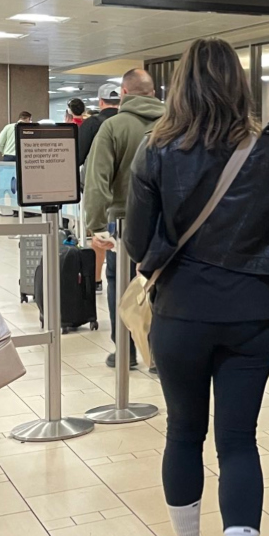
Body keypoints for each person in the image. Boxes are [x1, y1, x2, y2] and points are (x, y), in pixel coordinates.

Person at [126, 37, 269, 536]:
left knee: (184, 432)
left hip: (180, 313)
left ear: (178, 87)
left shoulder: (154, 151)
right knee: (238, 441)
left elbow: (137, 243)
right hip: (252, 314)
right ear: (239, 85)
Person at [83, 68, 164, 370]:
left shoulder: (113, 127)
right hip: (169, 225)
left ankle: (126, 351)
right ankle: (158, 355)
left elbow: (97, 180)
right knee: (161, 285)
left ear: (124, 94)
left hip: (125, 224)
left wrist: (96, 226)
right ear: (153, 93)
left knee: (122, 284)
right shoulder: (177, 125)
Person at [78, 83, 123, 293]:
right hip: (129, 191)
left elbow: (77, 156)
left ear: (100, 101)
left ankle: (96, 280)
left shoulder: (93, 124)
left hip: (100, 187)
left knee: (100, 235)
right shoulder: (127, 122)